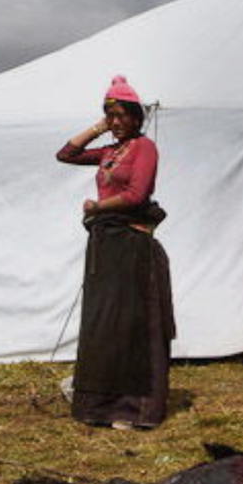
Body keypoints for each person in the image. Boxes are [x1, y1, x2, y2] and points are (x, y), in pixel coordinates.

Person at [56, 75, 174, 429]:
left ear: (137, 118)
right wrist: (99, 126)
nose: (117, 122)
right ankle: (100, 405)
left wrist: (97, 207)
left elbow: (137, 195)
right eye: (112, 116)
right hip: (106, 246)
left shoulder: (144, 148)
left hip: (131, 245)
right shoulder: (109, 152)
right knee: (104, 324)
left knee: (131, 324)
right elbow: (66, 154)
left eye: (123, 115)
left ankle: (135, 408)